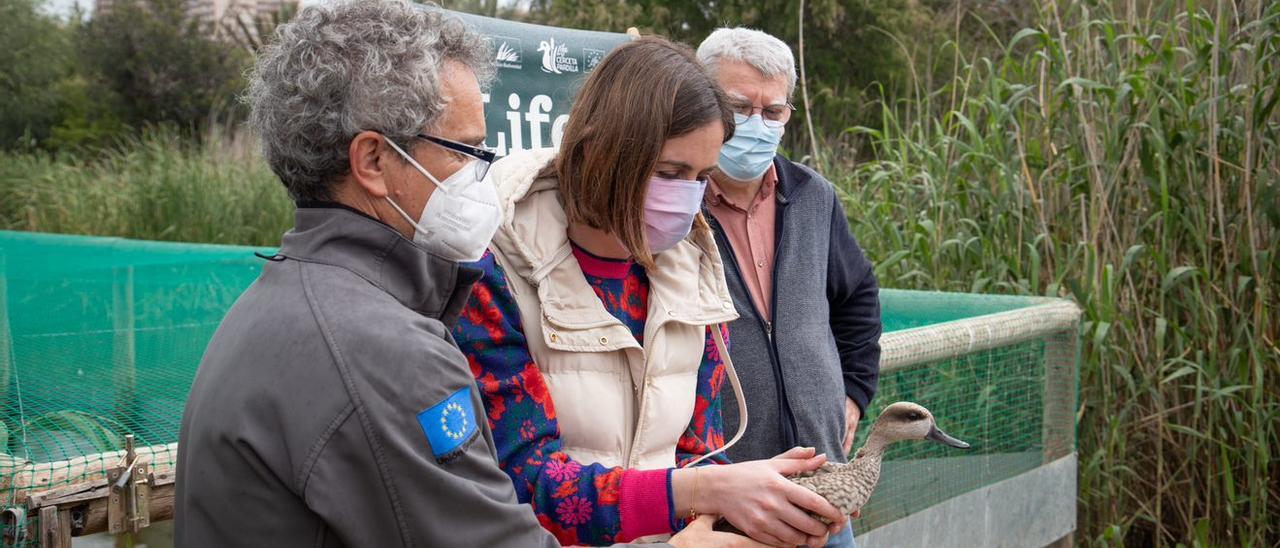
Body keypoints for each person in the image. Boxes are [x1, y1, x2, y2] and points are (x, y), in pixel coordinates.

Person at [175, 3, 750, 546]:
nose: (486, 174)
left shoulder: (288, 301)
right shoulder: (383, 350)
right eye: (468, 150)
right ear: (374, 161)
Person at [452, 36, 848, 547]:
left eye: (702, 177)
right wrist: (704, 490)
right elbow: (520, 482)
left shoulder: (693, 276)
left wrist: (747, 506)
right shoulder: (492, 272)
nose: (687, 196)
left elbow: (700, 450)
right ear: (600, 152)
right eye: (669, 172)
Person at [694, 28, 885, 548]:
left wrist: (852, 395)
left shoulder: (813, 195)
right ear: (701, 101)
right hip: (724, 494)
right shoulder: (674, 204)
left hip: (824, 484)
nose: (757, 125)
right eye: (738, 107)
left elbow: (858, 298)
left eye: (773, 112)